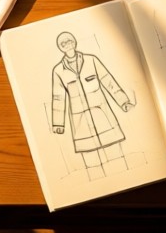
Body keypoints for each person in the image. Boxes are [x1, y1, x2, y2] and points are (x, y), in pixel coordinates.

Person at [50, 31, 134, 180]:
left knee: (115, 150)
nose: (67, 45)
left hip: (101, 113)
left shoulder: (91, 60)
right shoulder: (58, 71)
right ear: (60, 47)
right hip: (80, 119)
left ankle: (125, 177)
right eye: (63, 43)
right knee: (90, 157)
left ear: (74, 42)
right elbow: (58, 97)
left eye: (70, 41)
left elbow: (107, 80)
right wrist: (58, 123)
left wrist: (123, 101)